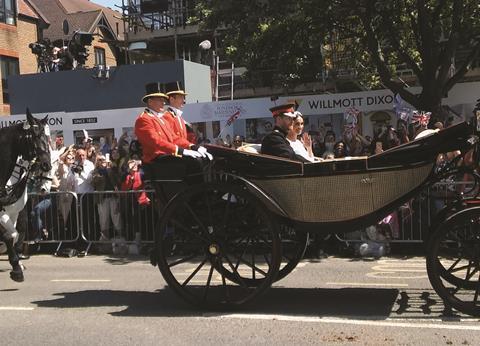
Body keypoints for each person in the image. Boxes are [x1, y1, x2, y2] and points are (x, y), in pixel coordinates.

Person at [134, 82, 212, 164]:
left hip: (167, 157)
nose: (163, 103)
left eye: (163, 100)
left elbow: (174, 138)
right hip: (156, 160)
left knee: (201, 160)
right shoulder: (143, 119)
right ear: (150, 102)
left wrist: (192, 147)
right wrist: (180, 151)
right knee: (193, 163)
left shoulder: (160, 119)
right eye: (160, 100)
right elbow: (156, 141)